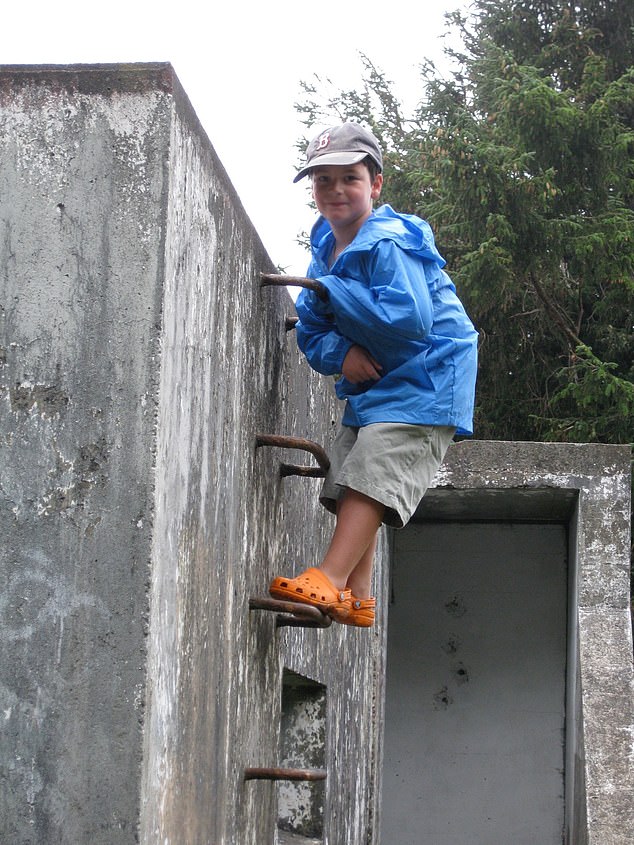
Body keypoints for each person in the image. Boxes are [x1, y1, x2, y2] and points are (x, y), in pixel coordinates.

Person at [269, 122, 478, 627]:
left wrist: (332, 292)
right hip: (378, 383)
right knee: (349, 469)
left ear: (375, 184)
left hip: (428, 378)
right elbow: (313, 329)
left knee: (375, 470)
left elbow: (409, 322)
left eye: (350, 178)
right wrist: (341, 355)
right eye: (323, 180)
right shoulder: (325, 250)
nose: (336, 190)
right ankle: (356, 593)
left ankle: (331, 576)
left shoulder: (388, 241)